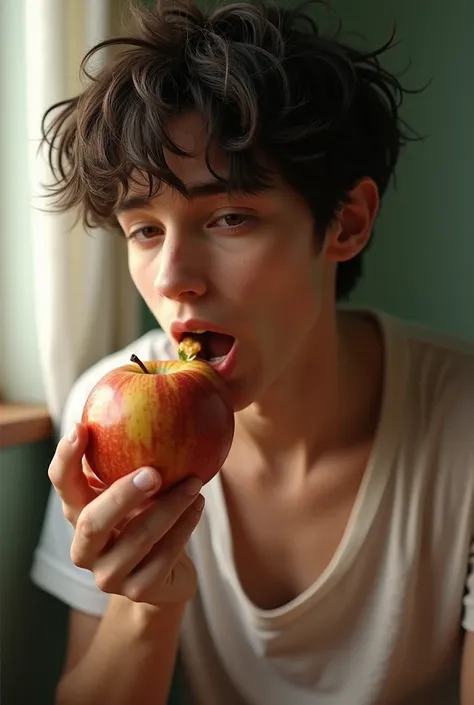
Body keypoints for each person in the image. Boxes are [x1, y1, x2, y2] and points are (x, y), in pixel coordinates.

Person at [31, 1, 474, 704]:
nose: (174, 278)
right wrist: (147, 601)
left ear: (345, 223)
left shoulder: (462, 426)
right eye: (144, 230)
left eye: (228, 217)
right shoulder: (103, 413)